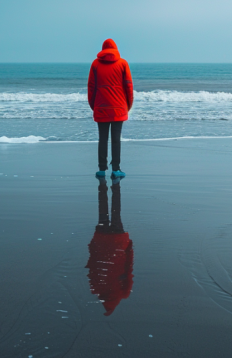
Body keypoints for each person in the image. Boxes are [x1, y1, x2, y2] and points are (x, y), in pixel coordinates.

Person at [85, 176, 133, 315]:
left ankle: (115, 185)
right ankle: (103, 184)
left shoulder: (123, 293)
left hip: (118, 241)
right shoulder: (95, 288)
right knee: (103, 211)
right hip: (101, 240)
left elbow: (129, 268)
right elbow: (92, 264)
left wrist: (129, 247)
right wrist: (92, 245)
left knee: (116, 211)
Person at [87, 38, 134, 178]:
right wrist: (128, 106)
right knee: (115, 139)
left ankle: (101, 169)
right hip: (119, 108)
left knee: (102, 138)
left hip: (101, 107)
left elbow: (91, 87)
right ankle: (116, 169)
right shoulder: (123, 63)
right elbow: (129, 87)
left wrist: (93, 106)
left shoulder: (95, 64)